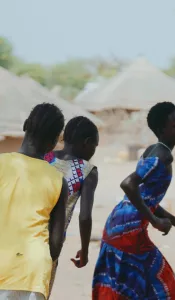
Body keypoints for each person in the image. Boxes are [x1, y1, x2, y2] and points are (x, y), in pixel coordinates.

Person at [92, 102, 175, 300]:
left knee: (136, 287)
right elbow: (128, 184)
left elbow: (146, 199)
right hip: (128, 228)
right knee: (161, 287)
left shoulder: (153, 150)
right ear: (162, 130)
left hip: (122, 225)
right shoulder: (162, 155)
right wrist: (154, 220)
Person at [0, 103, 68, 300]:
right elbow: (56, 244)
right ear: (55, 141)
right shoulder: (57, 180)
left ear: (25, 125)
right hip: (31, 272)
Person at [43, 116, 100, 296]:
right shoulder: (87, 170)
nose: (94, 151)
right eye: (95, 146)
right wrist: (84, 249)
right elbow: (84, 216)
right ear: (87, 142)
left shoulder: (45, 158)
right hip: (52, 241)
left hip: (25, 232)